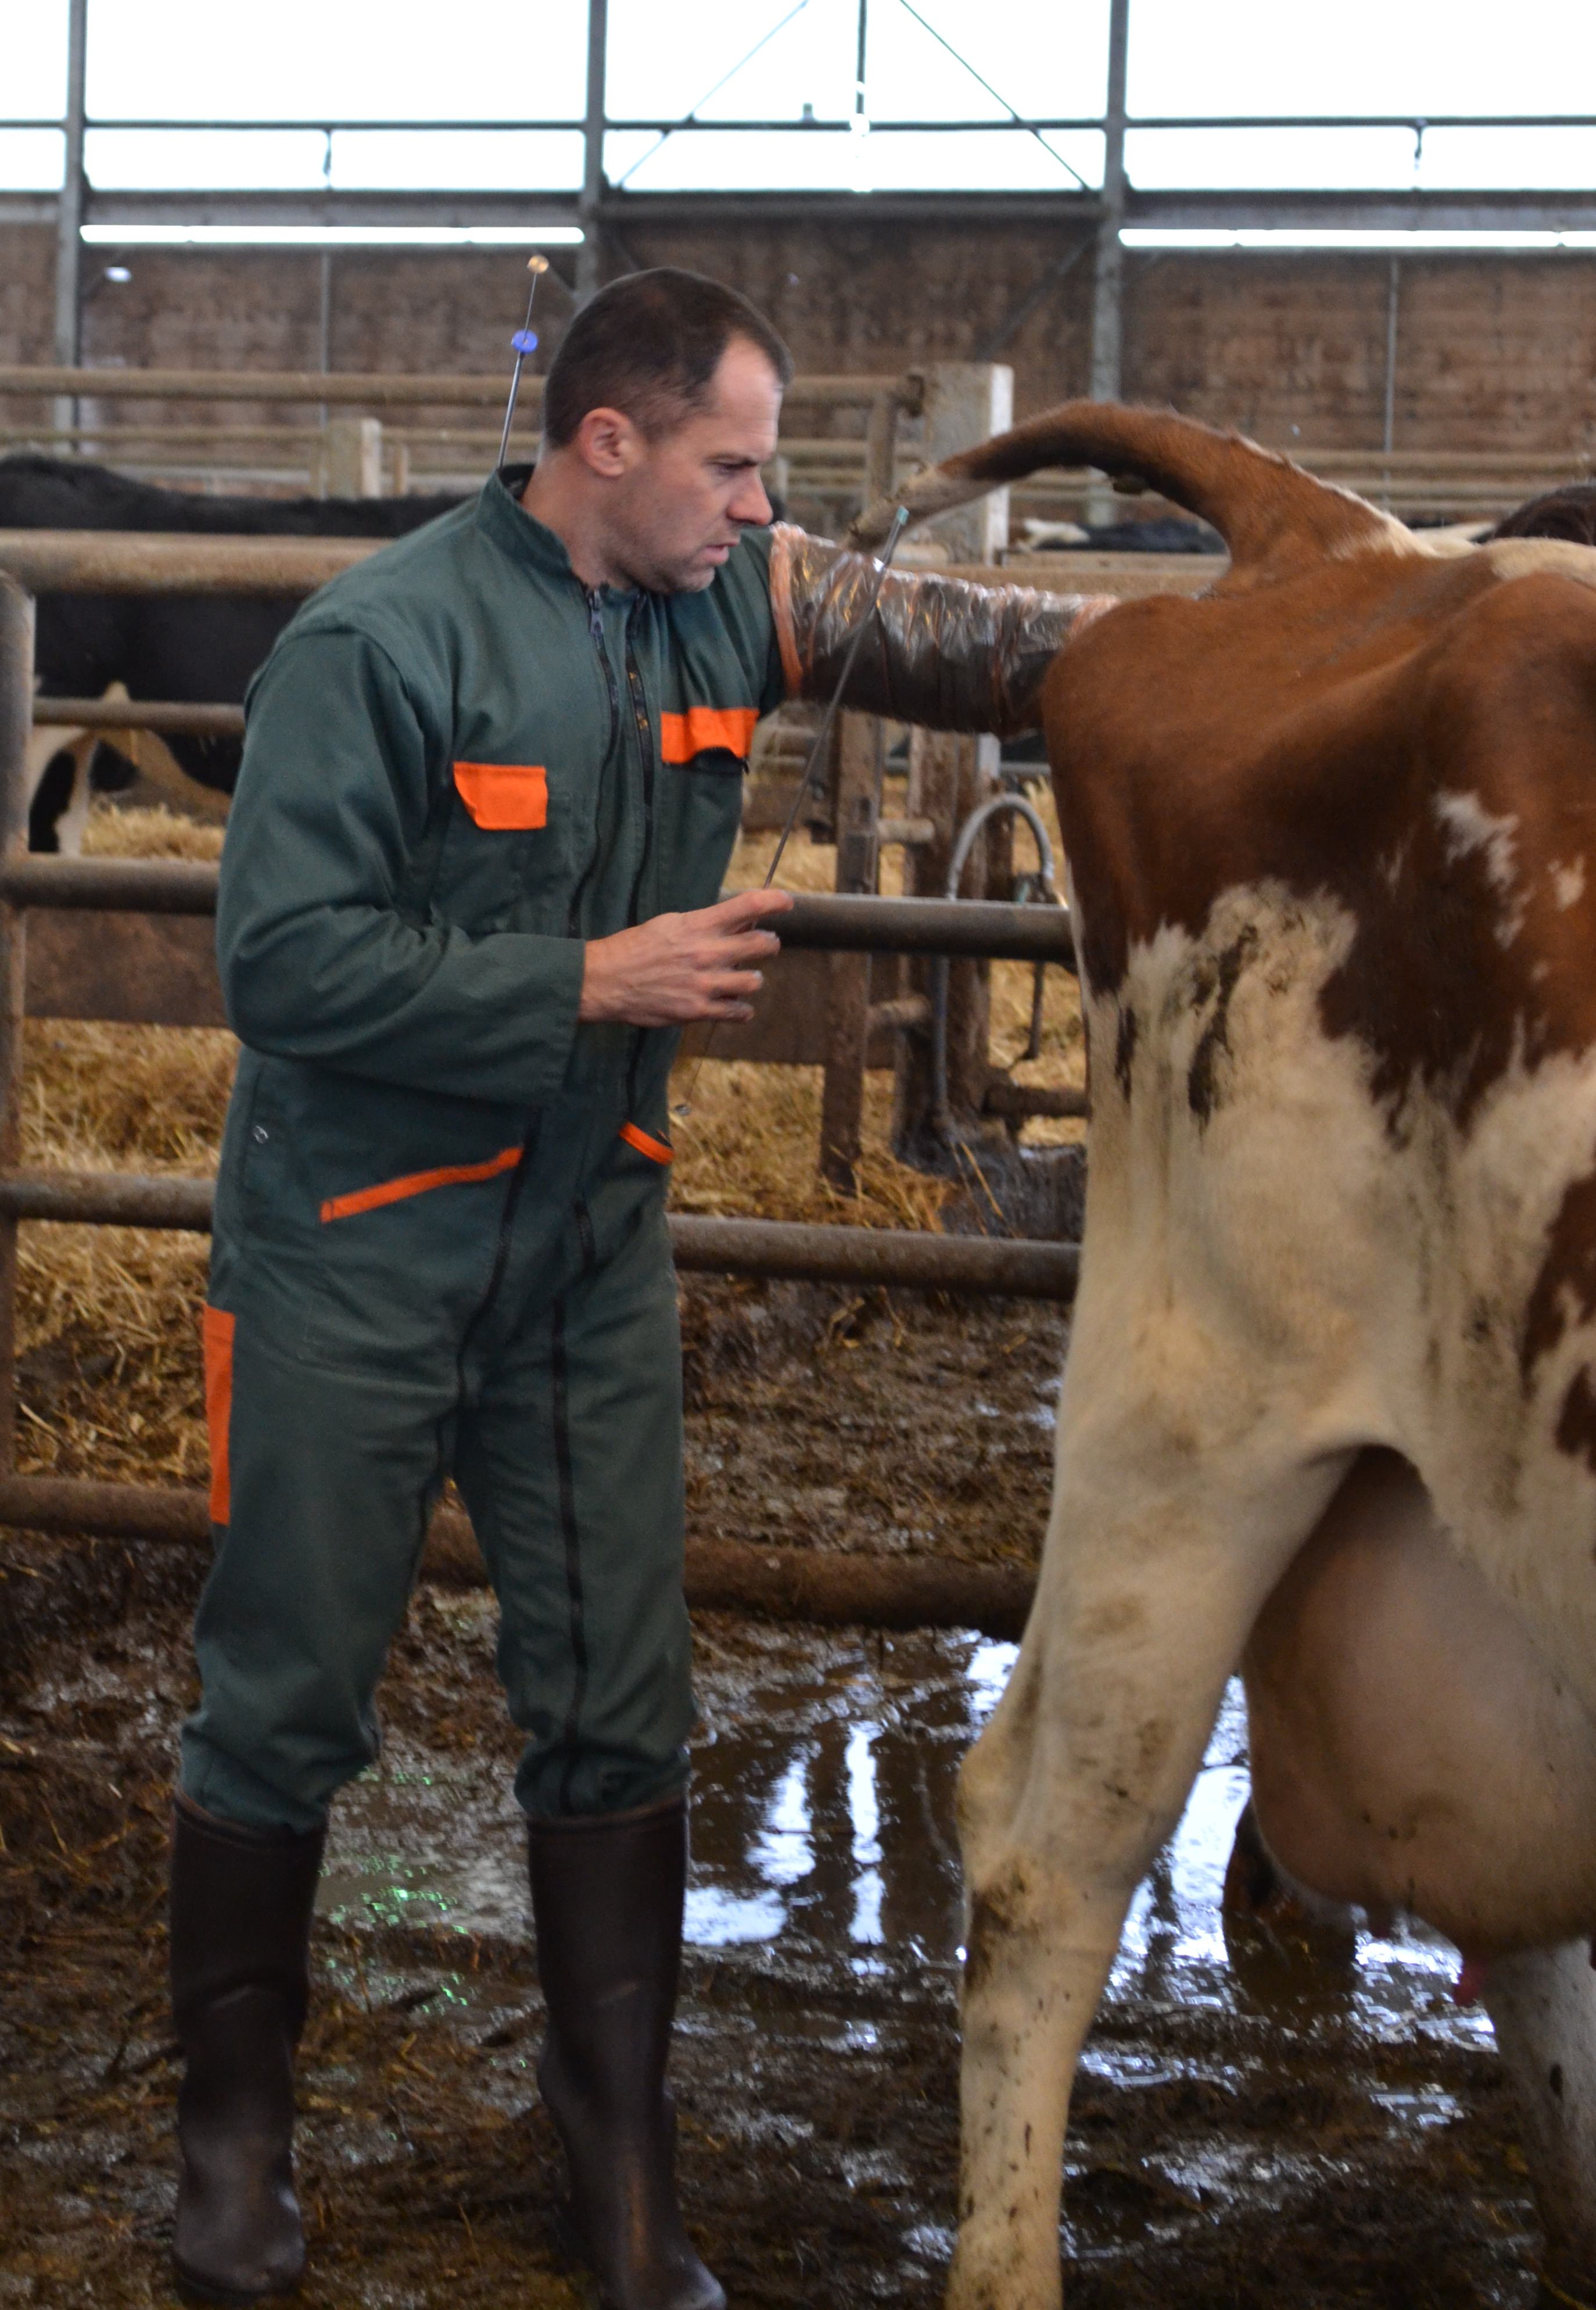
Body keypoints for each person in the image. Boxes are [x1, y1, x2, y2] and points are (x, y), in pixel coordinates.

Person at [170, 265, 1085, 2310]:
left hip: (585, 1255)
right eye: (738, 466)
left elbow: (996, 652)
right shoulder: (379, 643)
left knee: (618, 1706)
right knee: (288, 1696)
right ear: (611, 445)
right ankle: (231, 2150)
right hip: (350, 1257)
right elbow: (279, 966)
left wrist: (1311, 644)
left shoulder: (735, 601)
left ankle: (617, 2174)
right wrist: (580, 983)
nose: (771, 509)